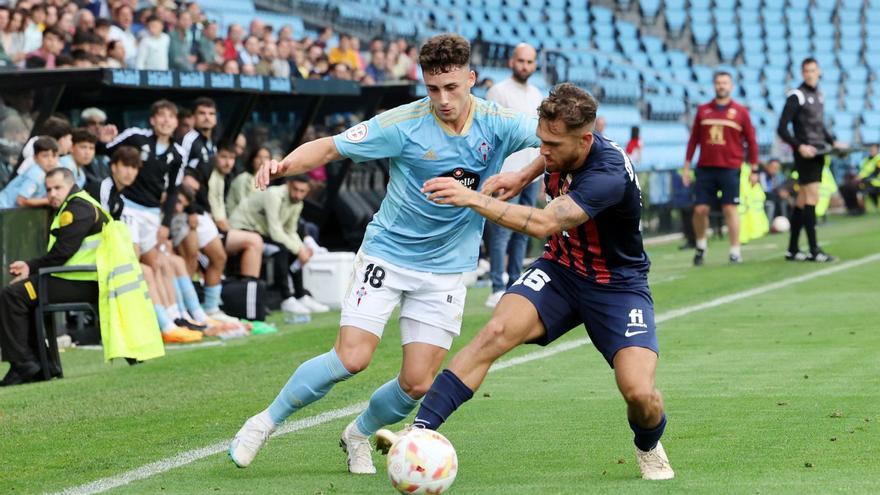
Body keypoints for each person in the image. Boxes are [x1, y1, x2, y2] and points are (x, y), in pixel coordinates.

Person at [228, 33, 541, 474]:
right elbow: (332, 146)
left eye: (452, 87)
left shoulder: (499, 122)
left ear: (471, 79)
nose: (443, 99)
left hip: (447, 268)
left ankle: (357, 433)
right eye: (433, 89)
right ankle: (263, 423)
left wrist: (524, 174)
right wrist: (282, 165)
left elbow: (555, 137)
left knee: (417, 383)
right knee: (351, 358)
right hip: (388, 255)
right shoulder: (404, 123)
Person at [377, 83, 674, 481]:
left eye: (552, 144)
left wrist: (473, 199)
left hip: (617, 286)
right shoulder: (565, 147)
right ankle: (419, 431)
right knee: (494, 333)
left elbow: (546, 222)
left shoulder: (608, 175)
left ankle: (648, 444)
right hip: (561, 271)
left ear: (585, 140)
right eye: (541, 141)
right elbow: (551, 159)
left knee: (639, 393)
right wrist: (520, 176)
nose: (544, 150)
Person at [0, 168, 108, 386]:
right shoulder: (76, 204)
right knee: (19, 295)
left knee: (13, 294)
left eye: (57, 188)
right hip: (74, 279)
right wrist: (31, 267)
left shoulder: (78, 208)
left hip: (81, 282)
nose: (52, 194)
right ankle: (40, 364)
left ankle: (24, 365)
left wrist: (30, 266)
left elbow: (61, 254)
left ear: (71, 184)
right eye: (48, 189)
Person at [483, 42, 543, 308]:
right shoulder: (498, 91)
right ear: (511, 62)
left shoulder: (538, 94)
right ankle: (497, 285)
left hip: (532, 172)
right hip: (508, 171)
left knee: (524, 230)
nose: (525, 66)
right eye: (521, 61)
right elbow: (492, 132)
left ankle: (515, 283)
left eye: (530, 62)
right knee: (502, 230)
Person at [683, 71, 758, 265]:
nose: (721, 86)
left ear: (731, 86)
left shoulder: (741, 112)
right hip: (705, 168)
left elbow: (751, 140)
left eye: (725, 83)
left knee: (730, 209)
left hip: (730, 167)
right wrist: (686, 166)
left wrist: (755, 168)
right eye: (718, 82)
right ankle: (700, 247)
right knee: (700, 209)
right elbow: (693, 140)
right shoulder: (703, 110)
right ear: (714, 85)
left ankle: (734, 251)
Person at [777, 57, 844, 262]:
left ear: (819, 72)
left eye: (813, 70)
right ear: (802, 73)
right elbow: (782, 128)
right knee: (811, 198)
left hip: (819, 152)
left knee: (802, 201)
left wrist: (832, 141)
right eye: (806, 71)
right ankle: (814, 250)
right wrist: (800, 146)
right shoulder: (797, 96)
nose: (810, 74)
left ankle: (793, 249)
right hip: (805, 155)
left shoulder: (819, 95)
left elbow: (819, 125)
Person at [229, 175, 326, 314]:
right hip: (242, 228)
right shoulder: (274, 194)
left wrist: (302, 249)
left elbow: (290, 231)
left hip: (261, 231)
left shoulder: (298, 203)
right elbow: (275, 232)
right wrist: (299, 250)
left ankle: (301, 295)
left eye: (302, 191)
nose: (298, 194)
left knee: (292, 249)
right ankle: (286, 298)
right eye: (295, 189)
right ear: (288, 185)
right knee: (281, 250)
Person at [207, 143, 264, 279]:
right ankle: (247, 289)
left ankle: (247, 287)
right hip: (210, 230)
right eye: (224, 157)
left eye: (232, 158)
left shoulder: (220, 178)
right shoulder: (212, 177)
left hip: (217, 228)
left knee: (254, 239)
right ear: (215, 157)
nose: (228, 163)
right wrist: (232, 231)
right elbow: (219, 219)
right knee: (255, 240)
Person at [0, 136, 58, 208]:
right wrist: (49, 200)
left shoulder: (47, 173)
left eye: (54, 156)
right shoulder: (36, 174)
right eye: (45, 156)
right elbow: (21, 200)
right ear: (35, 158)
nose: (50, 160)